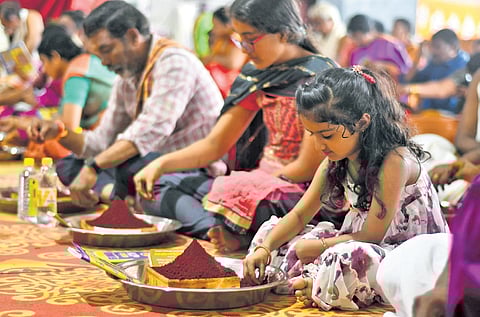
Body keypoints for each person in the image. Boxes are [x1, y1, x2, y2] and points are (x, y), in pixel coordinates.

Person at [134, 0, 337, 252]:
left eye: (250, 39)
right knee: (157, 185)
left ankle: (235, 228)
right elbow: (215, 145)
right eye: (239, 39)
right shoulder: (258, 73)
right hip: (257, 182)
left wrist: (248, 185)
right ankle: (222, 229)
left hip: (296, 191)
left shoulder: (322, 78)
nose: (244, 50)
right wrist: (160, 164)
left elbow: (307, 167)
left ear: (284, 33)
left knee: (259, 203)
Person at [242, 66, 448, 311]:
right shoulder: (335, 160)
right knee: (271, 233)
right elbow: (298, 216)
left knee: (347, 258)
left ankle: (320, 281)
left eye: (326, 135)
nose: (319, 145)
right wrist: (265, 248)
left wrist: (318, 248)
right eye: (313, 135)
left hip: (404, 258)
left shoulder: (395, 161)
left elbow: (372, 237)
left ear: (362, 122)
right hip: (359, 241)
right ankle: (319, 282)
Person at [27, 1, 223, 207]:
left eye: (106, 49)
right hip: (150, 164)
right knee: (70, 165)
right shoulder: (127, 76)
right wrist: (60, 133)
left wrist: (93, 168)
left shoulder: (174, 62)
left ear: (132, 36)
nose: (103, 61)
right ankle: (118, 196)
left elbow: (150, 132)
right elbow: (101, 142)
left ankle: (116, 195)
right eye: (98, 54)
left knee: (133, 171)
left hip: (192, 170)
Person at [406, 29, 469, 115]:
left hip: (450, 118)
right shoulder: (434, 63)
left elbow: (441, 89)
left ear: (452, 47)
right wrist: (418, 56)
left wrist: (408, 89)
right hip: (427, 115)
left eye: (437, 47)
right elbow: (409, 80)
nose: (433, 51)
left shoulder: (465, 65)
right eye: (432, 47)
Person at [346, 14, 412, 83]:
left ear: (368, 32)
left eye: (357, 36)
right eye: (353, 37)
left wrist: (383, 66)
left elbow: (406, 71)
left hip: (391, 90)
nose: (355, 41)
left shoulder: (389, 45)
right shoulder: (355, 51)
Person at [202, 7, 248, 99]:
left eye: (215, 25)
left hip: (234, 84)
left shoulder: (235, 38)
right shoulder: (221, 40)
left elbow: (233, 63)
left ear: (227, 25)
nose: (213, 30)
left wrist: (212, 59)